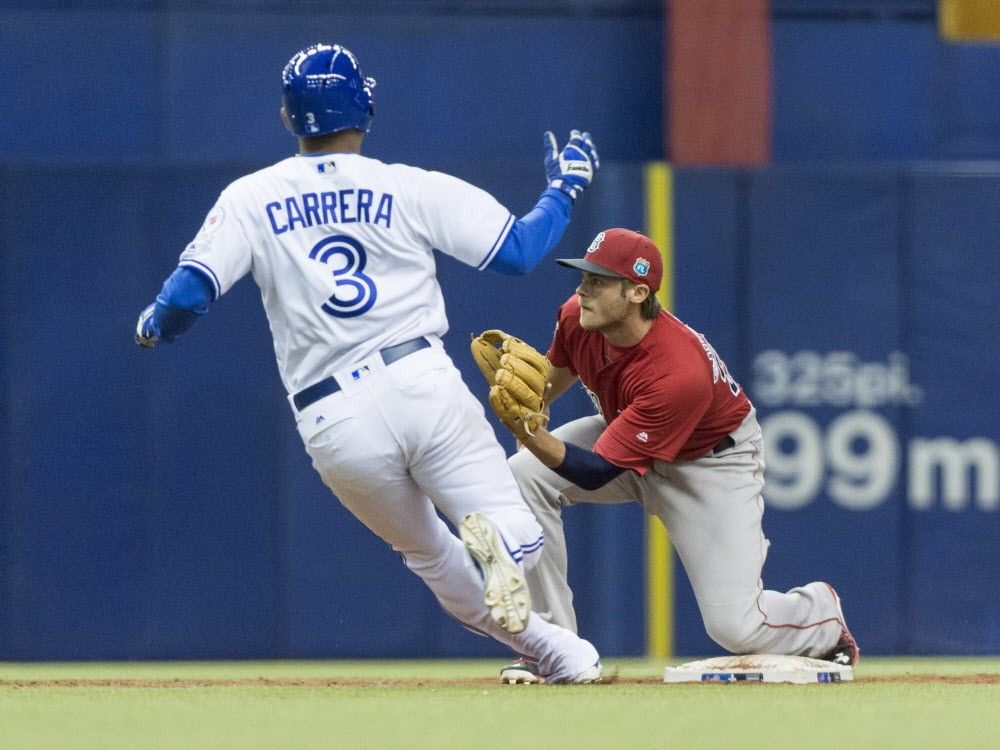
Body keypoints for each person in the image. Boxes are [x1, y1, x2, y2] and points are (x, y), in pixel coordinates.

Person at [134, 43, 603, 684]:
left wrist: (155, 324)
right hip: (419, 381)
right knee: (514, 527)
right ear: (366, 106)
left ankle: (555, 653)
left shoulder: (251, 197)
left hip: (332, 419)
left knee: (432, 556)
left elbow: (189, 293)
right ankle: (507, 551)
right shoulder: (407, 185)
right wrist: (566, 188)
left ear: (287, 115)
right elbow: (520, 251)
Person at [488, 227, 859, 684]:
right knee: (522, 475)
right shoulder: (576, 317)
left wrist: (528, 431)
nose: (582, 290)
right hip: (626, 430)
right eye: (583, 276)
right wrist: (535, 404)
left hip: (708, 463)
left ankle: (819, 615)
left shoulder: (677, 372)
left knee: (736, 626)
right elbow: (556, 375)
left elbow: (597, 473)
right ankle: (552, 647)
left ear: (637, 292)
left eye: (598, 281)